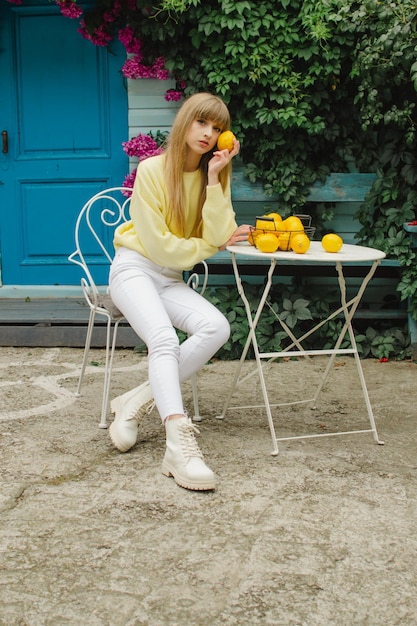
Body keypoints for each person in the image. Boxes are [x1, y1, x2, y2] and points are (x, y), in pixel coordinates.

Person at [108, 92, 251, 491]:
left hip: (169, 278)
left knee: (216, 327)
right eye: (202, 122)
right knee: (164, 340)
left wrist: (214, 177)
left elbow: (222, 232)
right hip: (134, 268)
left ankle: (135, 400)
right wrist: (209, 248)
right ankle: (177, 443)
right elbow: (160, 246)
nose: (209, 133)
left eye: (218, 128)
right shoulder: (152, 170)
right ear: (186, 121)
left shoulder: (213, 176)